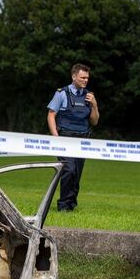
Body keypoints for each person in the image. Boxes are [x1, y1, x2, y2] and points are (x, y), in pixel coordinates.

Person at [46, 63, 99, 211]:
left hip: (83, 139)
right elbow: (51, 114)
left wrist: (94, 105)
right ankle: (63, 205)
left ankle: (71, 204)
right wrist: (55, 136)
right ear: (74, 76)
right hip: (65, 138)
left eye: (87, 78)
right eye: (82, 77)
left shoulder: (89, 96)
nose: (85, 80)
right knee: (68, 170)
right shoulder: (62, 93)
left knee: (77, 172)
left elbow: (94, 121)